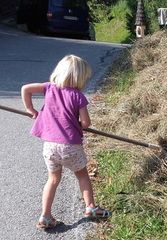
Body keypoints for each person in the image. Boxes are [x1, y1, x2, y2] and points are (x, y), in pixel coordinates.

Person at [21, 54, 111, 229]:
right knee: (82, 175)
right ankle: (90, 207)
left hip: (50, 147)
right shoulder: (78, 97)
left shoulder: (49, 88)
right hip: (70, 146)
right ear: (80, 78)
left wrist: (30, 109)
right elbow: (86, 123)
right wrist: (75, 123)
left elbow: (26, 88)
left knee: (53, 179)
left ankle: (45, 216)